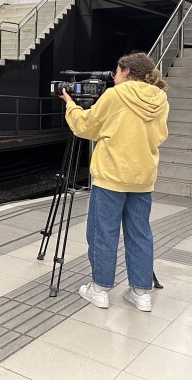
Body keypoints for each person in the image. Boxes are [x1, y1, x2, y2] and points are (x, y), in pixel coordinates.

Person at [61, 52, 168, 312]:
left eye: (117, 72)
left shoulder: (115, 95)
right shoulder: (160, 99)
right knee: (140, 233)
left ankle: (100, 289)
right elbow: (160, 136)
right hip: (142, 178)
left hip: (111, 177)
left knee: (103, 232)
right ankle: (141, 293)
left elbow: (86, 126)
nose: (114, 76)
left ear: (127, 72)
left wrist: (70, 105)